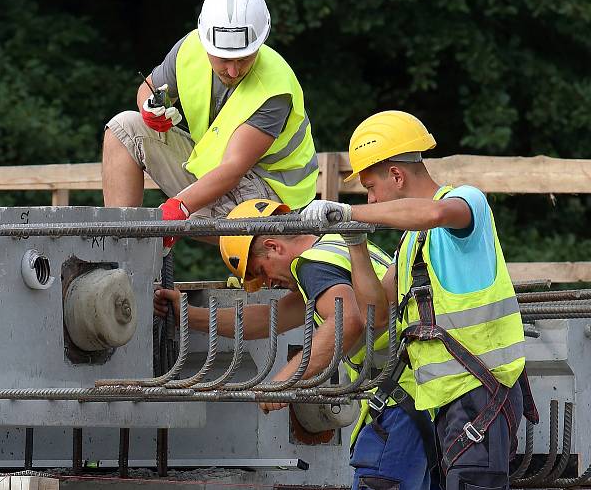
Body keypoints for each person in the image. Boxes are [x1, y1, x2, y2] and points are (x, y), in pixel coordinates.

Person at [301, 110, 538, 490]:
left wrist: (351, 211)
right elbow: (376, 315)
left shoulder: (466, 202)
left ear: (396, 175)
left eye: (370, 187)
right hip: (448, 403)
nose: (370, 198)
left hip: (480, 395)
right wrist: (356, 242)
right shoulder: (410, 243)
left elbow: (434, 212)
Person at [154, 198, 435, 490]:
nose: (267, 284)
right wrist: (187, 315)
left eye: (260, 271)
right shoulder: (336, 247)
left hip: (399, 405)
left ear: (274, 247)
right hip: (419, 399)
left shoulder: (311, 265)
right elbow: (267, 319)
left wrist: (286, 379)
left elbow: (347, 319)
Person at [102, 0, 318, 252]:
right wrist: (151, 110)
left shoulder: (275, 88)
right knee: (124, 128)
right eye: (223, 59)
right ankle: (118, 252)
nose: (232, 70)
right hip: (214, 175)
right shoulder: (189, 49)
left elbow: (233, 168)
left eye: (243, 59)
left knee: (255, 239)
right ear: (206, 44)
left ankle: (265, 252)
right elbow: (149, 90)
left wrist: (178, 208)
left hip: (273, 205)